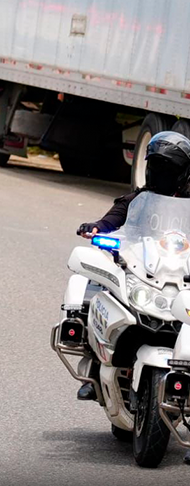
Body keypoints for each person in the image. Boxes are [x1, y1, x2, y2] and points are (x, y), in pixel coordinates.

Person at [74, 131, 190, 402]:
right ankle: (94, 367)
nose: (160, 173)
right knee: (102, 288)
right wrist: (96, 228)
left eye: (168, 168)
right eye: (156, 166)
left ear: (183, 172)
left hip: (179, 275)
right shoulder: (137, 200)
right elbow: (111, 220)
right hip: (141, 271)